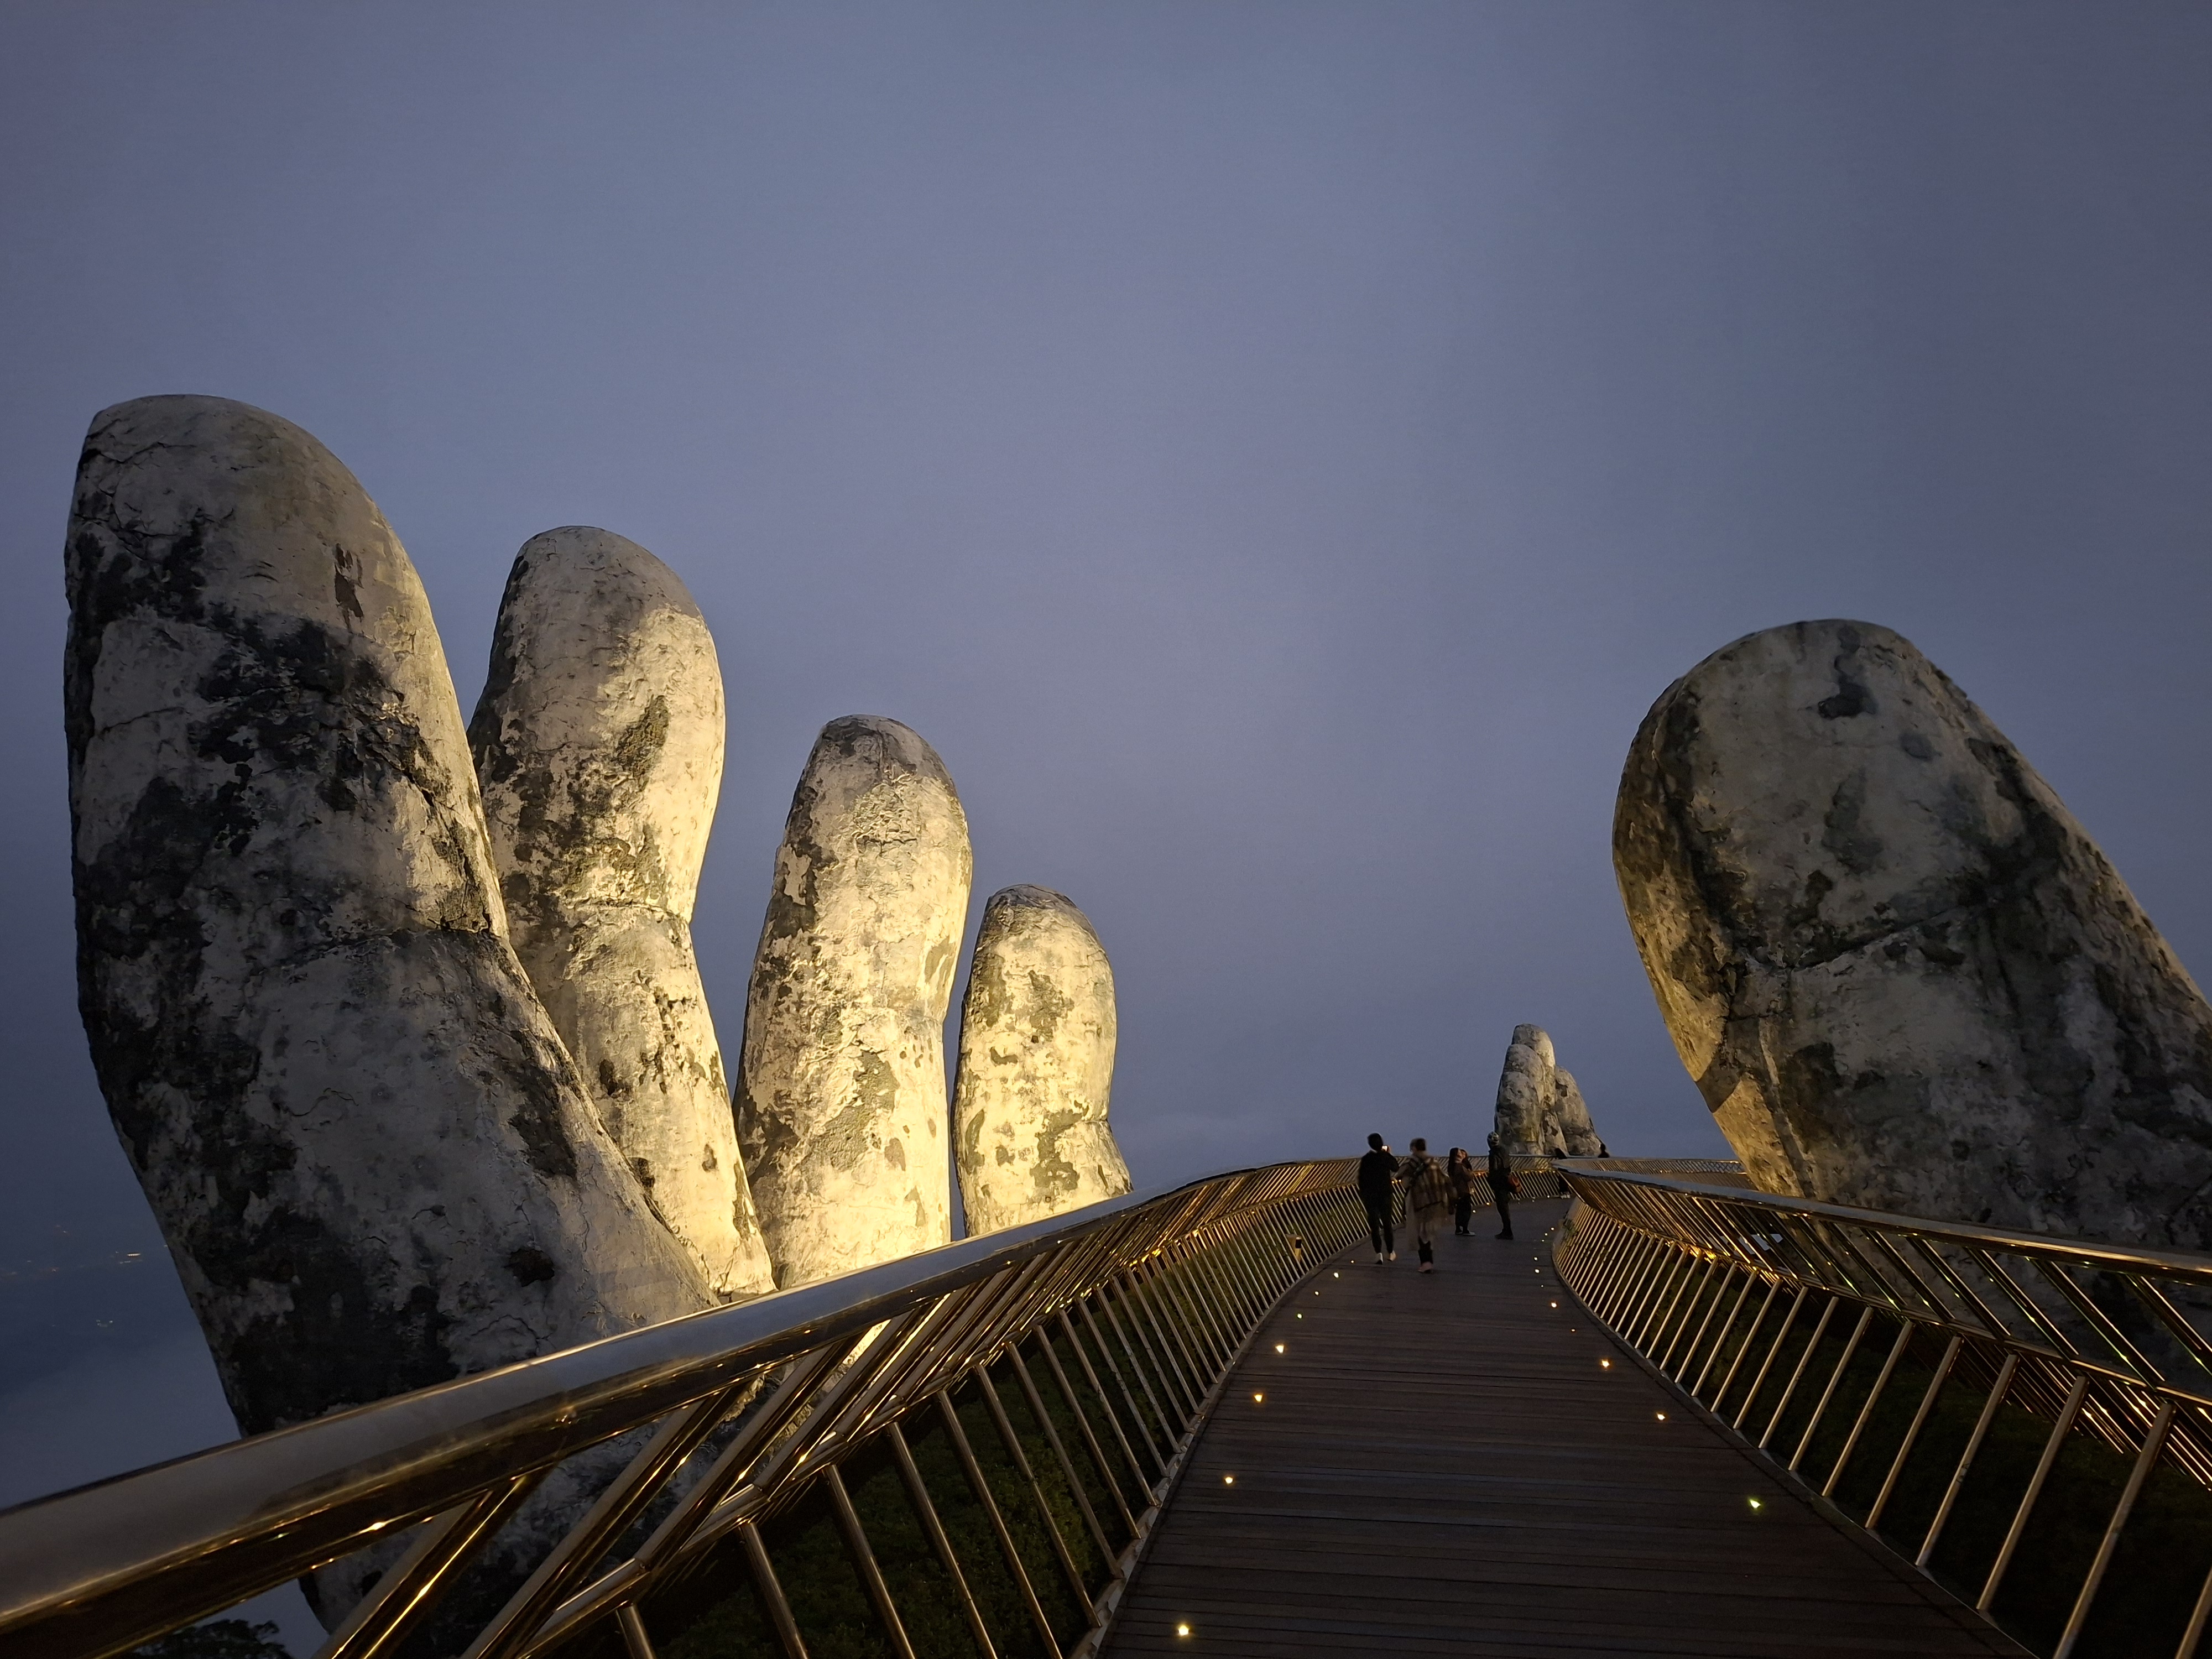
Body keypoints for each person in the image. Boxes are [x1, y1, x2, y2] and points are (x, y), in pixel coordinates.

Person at [1399, 1138, 1454, 1272]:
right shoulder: (1434, 1162)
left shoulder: (1412, 1162)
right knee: (1429, 1232)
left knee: (1421, 1232)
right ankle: (1429, 1262)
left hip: (1420, 1201)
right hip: (1436, 1201)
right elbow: (1444, 1179)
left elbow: (1401, 1178)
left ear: (1415, 1148)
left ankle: (1426, 1263)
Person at [1358, 1133, 1398, 1262]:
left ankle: (1378, 1253)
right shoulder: (1385, 1157)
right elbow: (1395, 1167)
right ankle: (1391, 1252)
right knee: (1387, 1223)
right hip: (1385, 1194)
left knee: (1374, 1225)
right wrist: (1388, 1153)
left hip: (1371, 1196)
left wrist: (1364, 1194)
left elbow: (1361, 1179)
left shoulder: (1366, 1159)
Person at [1486, 1131, 1520, 1240]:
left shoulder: (1494, 1154)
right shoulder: (1504, 1151)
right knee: (1505, 1208)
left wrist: (1491, 1181)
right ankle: (1507, 1230)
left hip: (1500, 1184)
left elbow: (1495, 1170)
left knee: (1503, 1209)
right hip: (1506, 1181)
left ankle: (1507, 1231)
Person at [1448, 1146, 1477, 1235]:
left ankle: (1458, 1229)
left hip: (1457, 1191)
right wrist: (1469, 1172)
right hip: (1464, 1190)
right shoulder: (1460, 1166)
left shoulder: (1451, 1166)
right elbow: (1469, 1176)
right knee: (1466, 1210)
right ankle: (1465, 1229)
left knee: (1459, 1210)